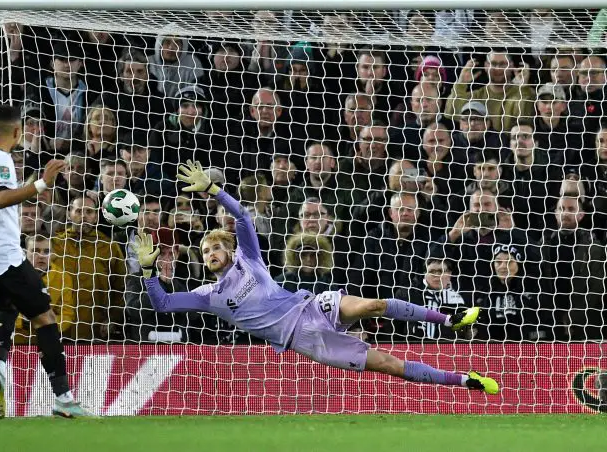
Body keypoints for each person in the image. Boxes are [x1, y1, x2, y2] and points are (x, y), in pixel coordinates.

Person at [133, 160, 499, 394]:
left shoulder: (251, 261)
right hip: (304, 338)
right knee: (390, 365)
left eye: (216, 248)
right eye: (205, 252)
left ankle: (448, 318)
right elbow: (163, 304)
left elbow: (243, 218)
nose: (210, 255)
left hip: (312, 303)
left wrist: (214, 190)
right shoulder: (208, 294)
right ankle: (464, 380)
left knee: (375, 304)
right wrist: (149, 271)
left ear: (229, 251)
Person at [0, 105, 90, 418]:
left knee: (7, 306)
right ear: (17, 132)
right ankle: (63, 398)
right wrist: (41, 184)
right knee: (44, 317)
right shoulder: (0, 159)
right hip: (2, 255)